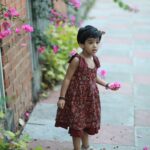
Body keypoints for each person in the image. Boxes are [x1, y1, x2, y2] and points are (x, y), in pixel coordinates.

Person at [55, 25, 120, 150]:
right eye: (90, 42)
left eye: (97, 42)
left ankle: (86, 146)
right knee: (77, 126)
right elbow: (67, 78)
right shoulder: (77, 60)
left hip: (90, 98)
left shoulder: (94, 59)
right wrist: (62, 97)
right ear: (81, 44)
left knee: (86, 123)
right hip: (77, 98)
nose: (95, 46)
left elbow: (93, 77)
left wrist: (107, 85)